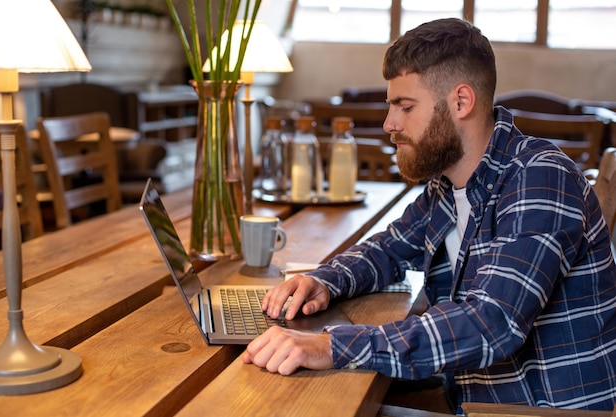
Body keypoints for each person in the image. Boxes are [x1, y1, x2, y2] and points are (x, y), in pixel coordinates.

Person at [242, 18, 616, 411]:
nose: (389, 124)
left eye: (405, 106)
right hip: (472, 396)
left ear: (461, 102)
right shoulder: (450, 181)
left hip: (525, 409)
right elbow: (388, 250)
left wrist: (331, 345)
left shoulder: (539, 177)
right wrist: (324, 281)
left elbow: (491, 325)